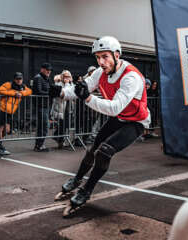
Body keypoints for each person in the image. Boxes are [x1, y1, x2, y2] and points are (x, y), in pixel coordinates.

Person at [50, 36, 150, 208]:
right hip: (120, 118)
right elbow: (80, 88)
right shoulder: (100, 72)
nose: (101, 62)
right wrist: (61, 93)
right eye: (97, 57)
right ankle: (77, 179)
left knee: (104, 152)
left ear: (116, 55)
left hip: (136, 121)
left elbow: (114, 108)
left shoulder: (130, 77)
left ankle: (86, 190)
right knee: (92, 149)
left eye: (105, 56)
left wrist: (87, 98)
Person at [0, 72, 32, 155]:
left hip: (10, 111)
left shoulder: (23, 87)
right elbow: (0, 90)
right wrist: (14, 93)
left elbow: (29, 91)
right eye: (17, 79)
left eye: (20, 79)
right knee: (0, 128)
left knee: (7, 130)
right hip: (1, 109)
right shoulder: (8, 84)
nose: (19, 80)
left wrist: (21, 93)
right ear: (14, 79)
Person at [31, 62, 53, 152]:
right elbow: (38, 91)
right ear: (42, 69)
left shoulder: (46, 78)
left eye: (50, 70)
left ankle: (40, 145)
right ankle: (39, 145)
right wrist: (50, 93)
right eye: (47, 69)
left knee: (43, 126)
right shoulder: (38, 78)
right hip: (41, 105)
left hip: (45, 105)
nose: (49, 71)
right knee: (44, 126)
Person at [51, 70, 73, 148]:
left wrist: (69, 83)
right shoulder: (58, 84)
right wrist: (67, 83)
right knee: (62, 125)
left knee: (65, 125)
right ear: (62, 76)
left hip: (68, 108)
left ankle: (59, 139)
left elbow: (72, 94)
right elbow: (64, 94)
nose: (66, 78)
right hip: (60, 108)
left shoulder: (71, 84)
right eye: (65, 76)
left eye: (68, 76)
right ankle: (59, 139)